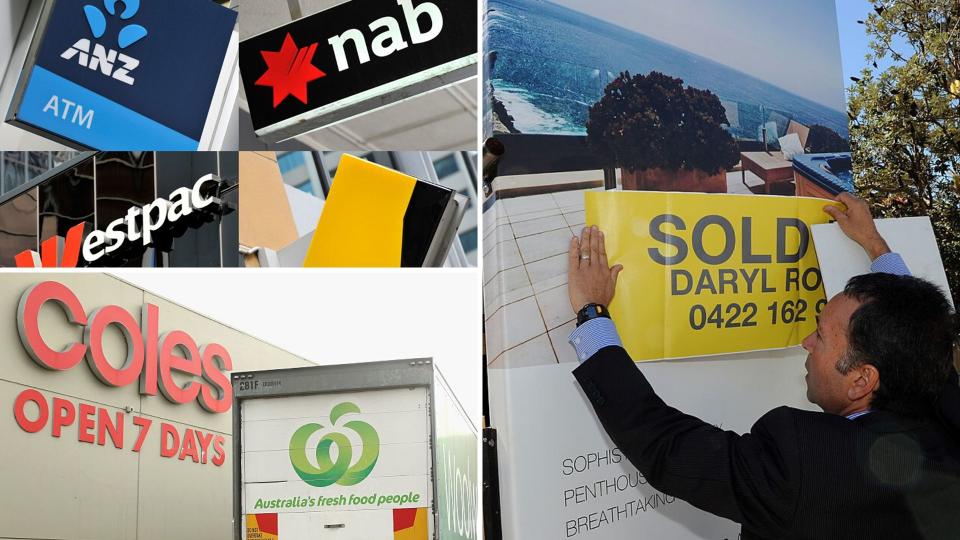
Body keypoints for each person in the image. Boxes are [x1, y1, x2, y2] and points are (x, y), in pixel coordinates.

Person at [567, 192, 960, 539]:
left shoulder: (807, 467)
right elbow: (924, 331)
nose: (806, 342)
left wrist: (592, 314)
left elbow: (667, 447)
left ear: (861, 380)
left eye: (820, 336)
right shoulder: (943, 406)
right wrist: (874, 245)